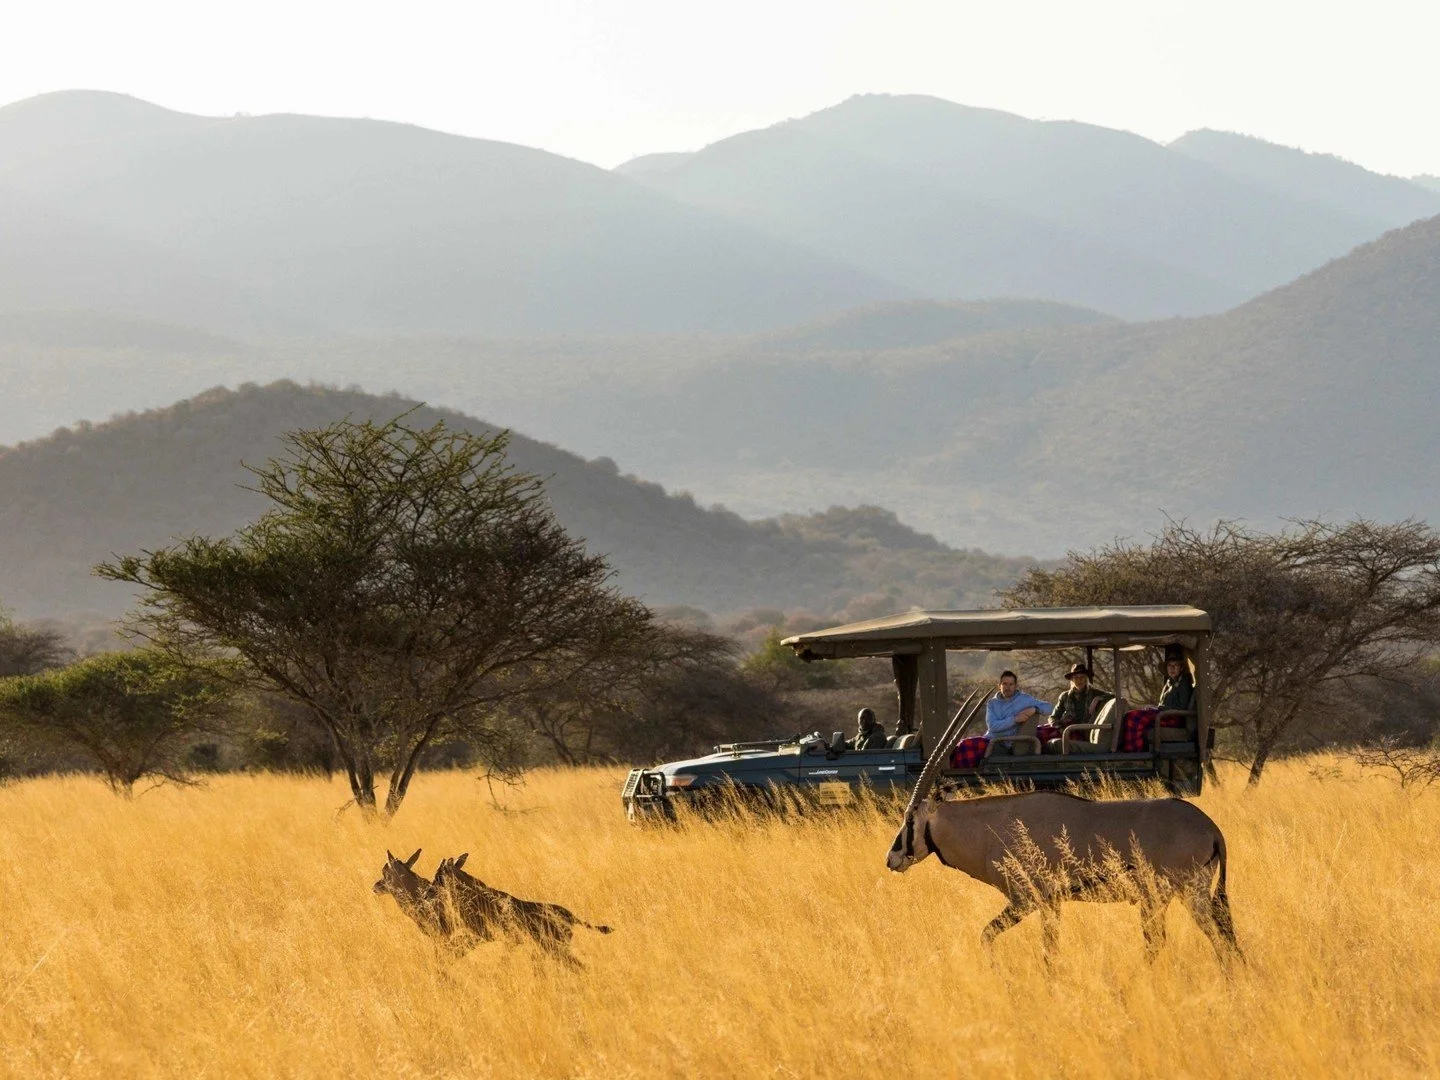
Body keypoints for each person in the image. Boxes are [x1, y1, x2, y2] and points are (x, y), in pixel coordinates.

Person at [1118, 648, 1196, 752]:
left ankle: (1134, 751)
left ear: (1181, 668)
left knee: (1135, 718)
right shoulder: (1169, 683)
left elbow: (1182, 708)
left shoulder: (1184, 684)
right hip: (1165, 714)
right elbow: (1162, 704)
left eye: (1175, 665)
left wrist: (1160, 709)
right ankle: (1131, 748)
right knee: (1129, 715)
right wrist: (1156, 708)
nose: (1172, 668)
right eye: (1169, 665)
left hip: (1174, 718)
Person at [983, 670, 1052, 756]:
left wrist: (1035, 709)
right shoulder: (992, 703)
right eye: (1005, 684)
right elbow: (992, 726)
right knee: (965, 745)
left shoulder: (1024, 700)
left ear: (1016, 686)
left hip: (1007, 743)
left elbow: (1049, 707)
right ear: (999, 686)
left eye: (1011, 684)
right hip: (991, 739)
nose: (1008, 687)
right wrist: (1015, 719)